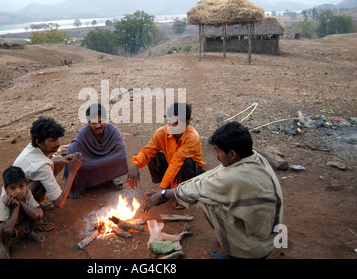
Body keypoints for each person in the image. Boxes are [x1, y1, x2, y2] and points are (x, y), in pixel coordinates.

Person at [144, 121, 284, 259]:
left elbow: (199, 188)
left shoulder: (234, 177)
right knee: (206, 194)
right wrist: (164, 192)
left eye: (218, 150)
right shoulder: (252, 157)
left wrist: (163, 194)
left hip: (255, 248)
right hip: (266, 237)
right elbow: (209, 177)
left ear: (232, 154)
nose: (215, 154)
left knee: (207, 201)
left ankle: (233, 252)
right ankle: (231, 240)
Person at [126, 103, 205, 201]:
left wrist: (160, 190)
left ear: (187, 123)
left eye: (175, 123)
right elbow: (148, 150)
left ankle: (182, 194)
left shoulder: (192, 138)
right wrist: (135, 163)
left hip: (191, 173)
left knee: (185, 162)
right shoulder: (162, 132)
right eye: (169, 122)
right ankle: (167, 189)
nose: (170, 127)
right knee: (153, 155)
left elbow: (176, 163)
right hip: (172, 165)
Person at [13, 116, 83, 227]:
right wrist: (72, 171)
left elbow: (41, 165)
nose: (59, 143)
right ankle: (28, 220)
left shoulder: (32, 147)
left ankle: (35, 203)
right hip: (15, 205)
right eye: (53, 140)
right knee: (53, 167)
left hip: (20, 191)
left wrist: (60, 161)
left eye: (58, 139)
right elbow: (59, 203)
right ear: (39, 142)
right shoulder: (42, 166)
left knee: (57, 164)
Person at [64, 104, 128, 198]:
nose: (98, 126)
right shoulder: (83, 133)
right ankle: (84, 184)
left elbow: (121, 151)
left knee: (120, 158)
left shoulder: (113, 130)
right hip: (90, 161)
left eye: (100, 121)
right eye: (94, 123)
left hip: (107, 159)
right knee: (79, 166)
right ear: (88, 123)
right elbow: (73, 148)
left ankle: (111, 177)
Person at [0, 166, 44, 259]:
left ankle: (28, 232)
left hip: (22, 221)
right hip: (10, 225)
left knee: (39, 212)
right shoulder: (4, 201)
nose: (18, 191)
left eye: (21, 186)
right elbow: (8, 229)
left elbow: (36, 214)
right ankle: (5, 245)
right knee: (1, 228)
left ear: (26, 184)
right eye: (13, 188)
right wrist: (16, 207)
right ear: (6, 189)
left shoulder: (27, 192)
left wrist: (20, 202)